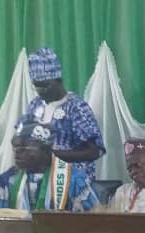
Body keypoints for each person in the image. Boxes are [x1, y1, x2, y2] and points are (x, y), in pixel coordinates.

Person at [0, 117, 96, 212]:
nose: (18, 152)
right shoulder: (9, 178)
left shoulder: (73, 178)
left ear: (47, 151)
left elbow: (93, 217)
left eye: (25, 147)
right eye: (16, 147)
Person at [20, 48, 104, 182]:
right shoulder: (35, 105)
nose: (40, 92)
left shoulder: (76, 107)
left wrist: (52, 156)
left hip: (71, 182)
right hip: (39, 181)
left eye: (45, 86)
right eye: (36, 87)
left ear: (58, 79)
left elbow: (94, 151)